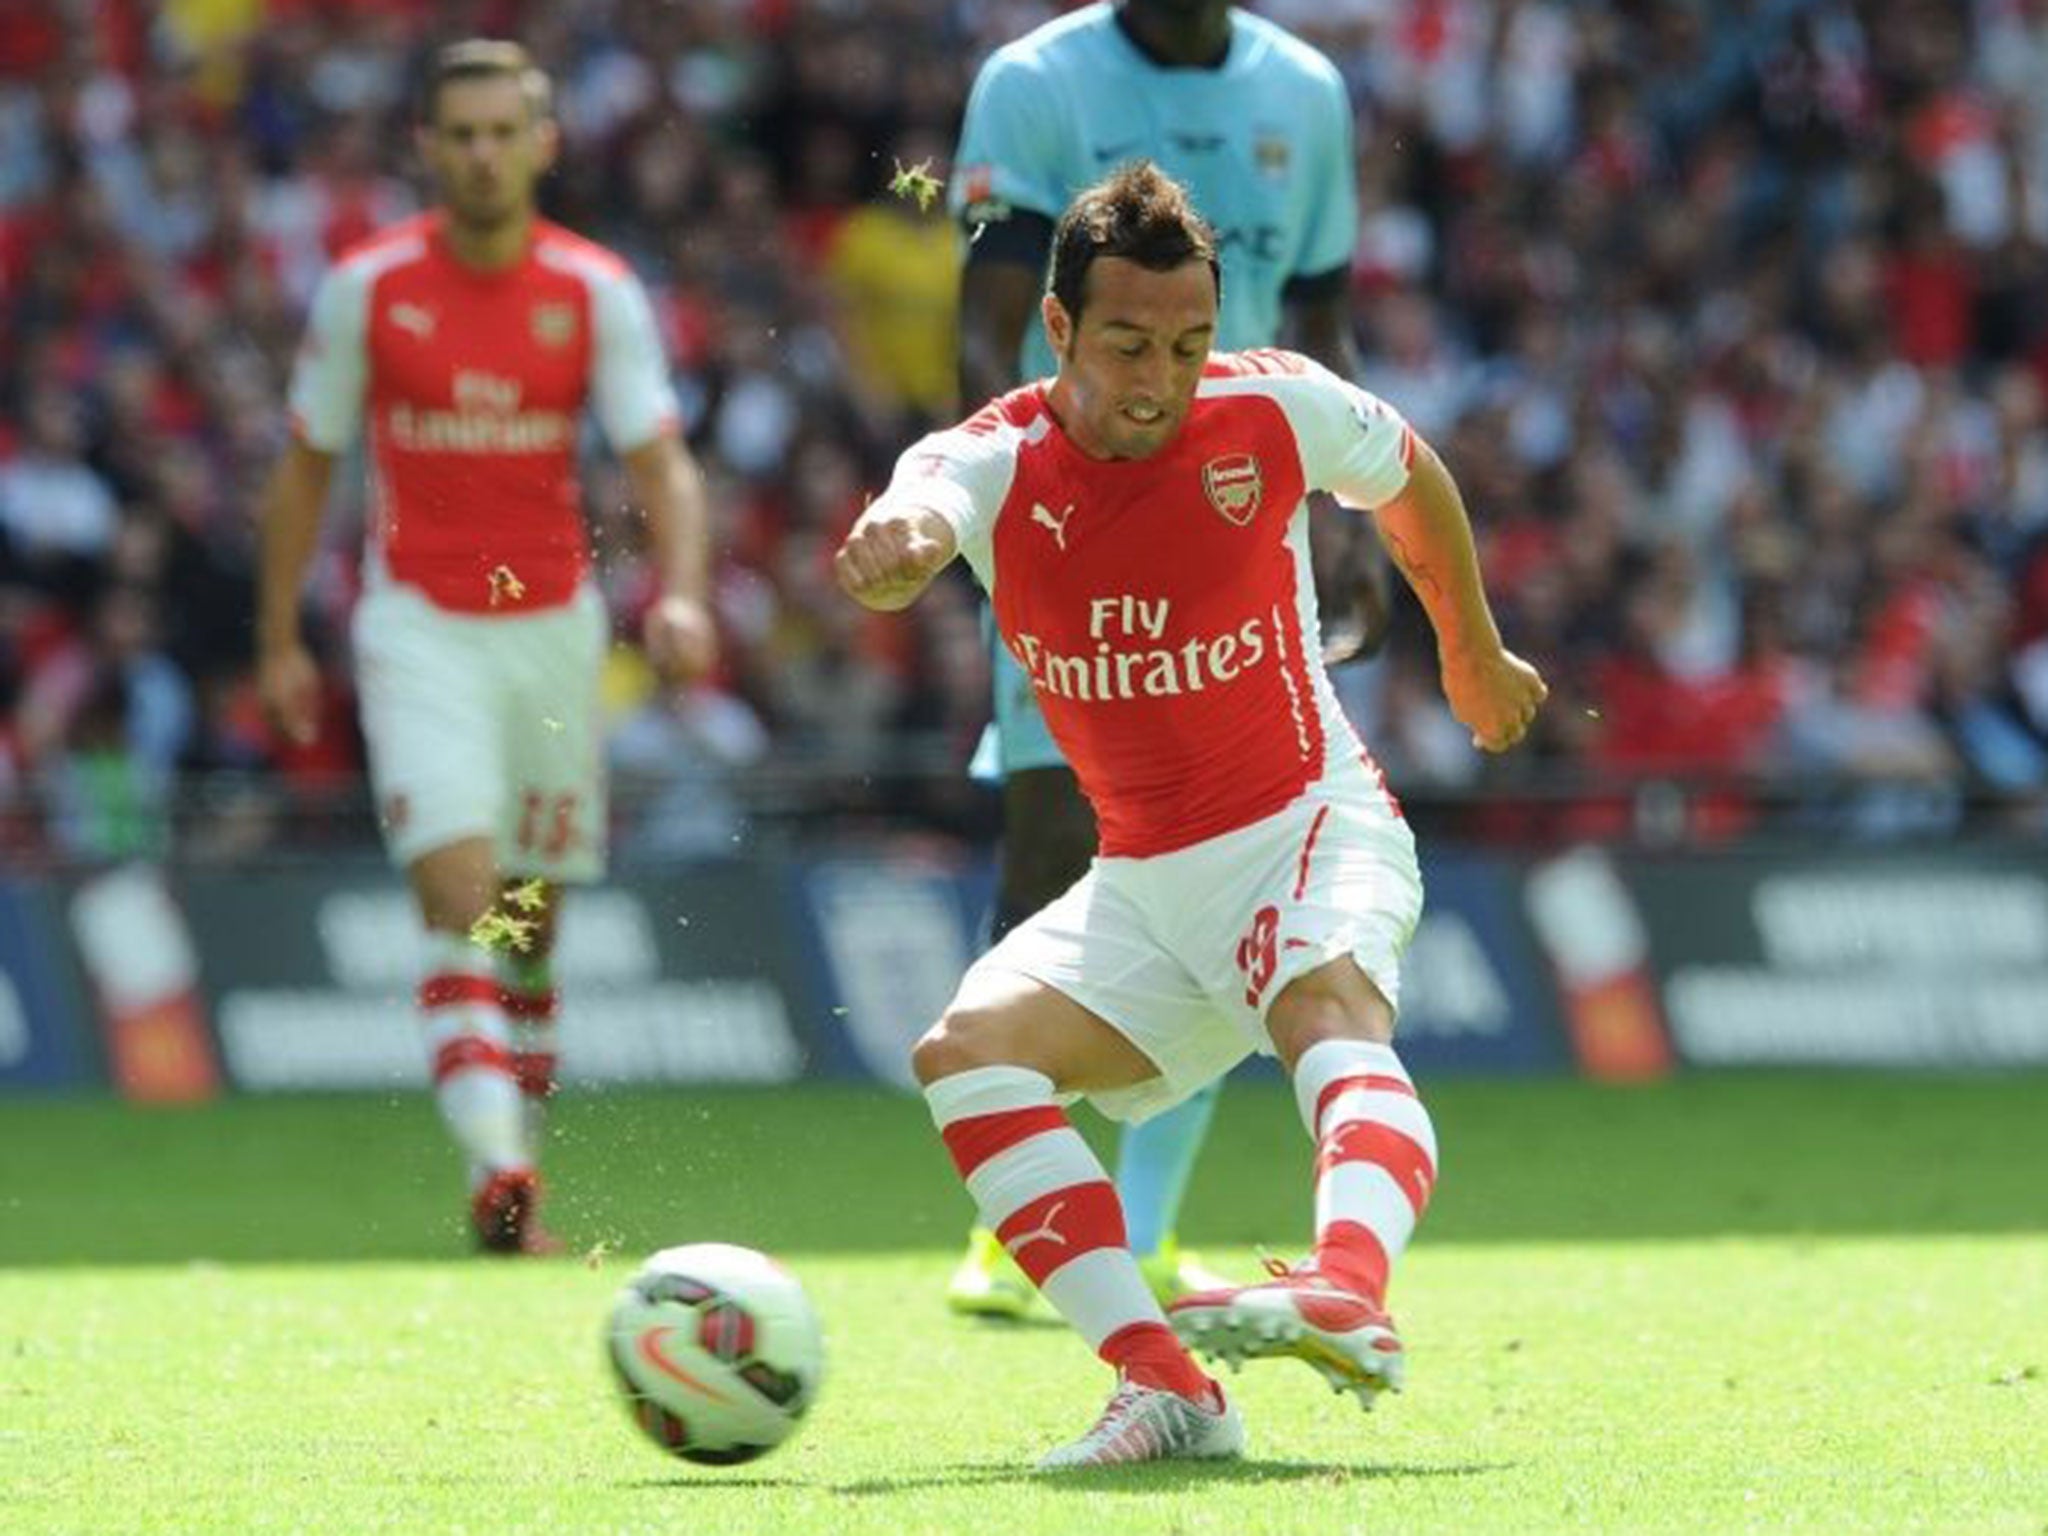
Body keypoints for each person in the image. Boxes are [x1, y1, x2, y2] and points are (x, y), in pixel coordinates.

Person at [835, 163, 1544, 1468]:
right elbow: (920, 511)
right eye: (1125, 344)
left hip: (1309, 821)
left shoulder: (1270, 408)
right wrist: (896, 546)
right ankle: (1166, 1386)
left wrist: (1471, 653)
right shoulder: (991, 457)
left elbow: (1409, 473)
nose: (1158, 377)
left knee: (1320, 1002)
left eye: (1185, 342)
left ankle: (1346, 1285)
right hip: (1149, 882)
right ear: (1059, 331)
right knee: (967, 1058)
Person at [942, 0, 1390, 1319]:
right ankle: (1023, 1215)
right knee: (1050, 843)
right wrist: (991, 503)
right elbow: (985, 322)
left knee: (1235, 845)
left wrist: (1347, 526)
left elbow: (1323, 318)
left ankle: (1141, 1227)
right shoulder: (1032, 82)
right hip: (1070, 522)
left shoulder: (1304, 92)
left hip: (1239, 523)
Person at [255, 41, 716, 1254]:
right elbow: (306, 463)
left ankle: (515, 1147)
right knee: (458, 893)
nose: (479, 153)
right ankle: (500, 1170)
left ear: (542, 143)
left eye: (501, 131)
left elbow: (658, 457)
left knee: (528, 916)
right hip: (419, 627)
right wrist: (277, 636)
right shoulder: (368, 289)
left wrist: (678, 591)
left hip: (551, 635)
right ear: (426, 145)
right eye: (458, 133)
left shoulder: (593, 290)